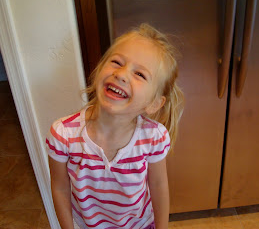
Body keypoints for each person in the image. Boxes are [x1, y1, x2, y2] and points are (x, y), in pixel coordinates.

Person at [46, 23, 184, 229]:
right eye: (117, 62)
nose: (121, 74)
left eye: (140, 74)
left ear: (154, 103)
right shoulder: (63, 134)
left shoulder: (154, 138)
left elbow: (158, 186)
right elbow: (59, 188)